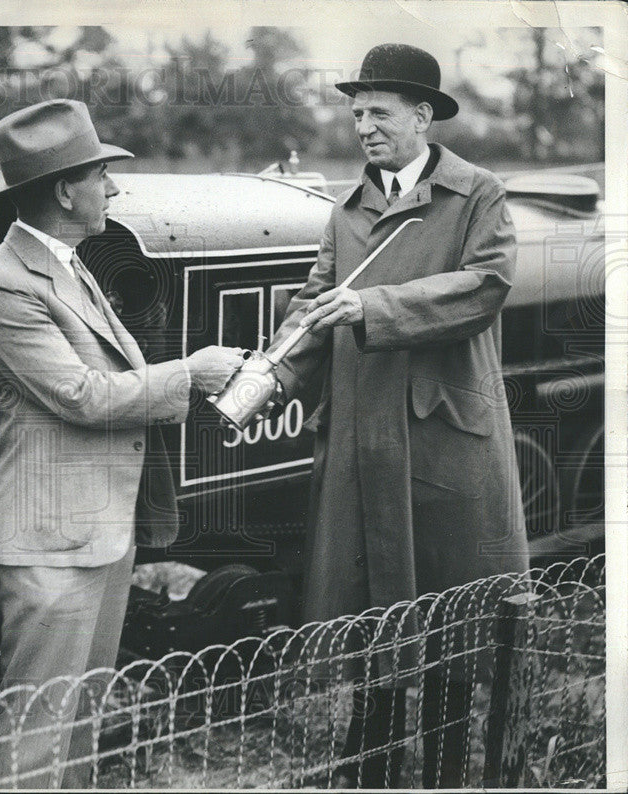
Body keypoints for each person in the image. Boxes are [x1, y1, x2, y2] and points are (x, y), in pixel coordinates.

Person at [267, 44, 529, 788]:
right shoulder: (346, 212)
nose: (364, 125)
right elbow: (313, 306)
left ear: (423, 117)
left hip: (444, 439)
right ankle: (372, 769)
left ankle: (442, 772)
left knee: (449, 617)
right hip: (363, 439)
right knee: (373, 617)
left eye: (379, 112)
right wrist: (264, 380)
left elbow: (487, 283)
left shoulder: (477, 193)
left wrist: (372, 305)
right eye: (356, 112)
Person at [0, 99, 244, 788]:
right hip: (54, 542)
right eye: (101, 176)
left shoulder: (66, 263)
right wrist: (191, 371)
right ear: (65, 190)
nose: (113, 190)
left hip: (95, 536)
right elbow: (84, 396)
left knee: (81, 727)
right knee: (36, 738)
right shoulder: (3, 286)